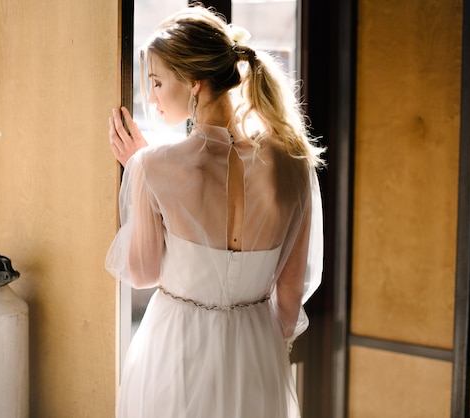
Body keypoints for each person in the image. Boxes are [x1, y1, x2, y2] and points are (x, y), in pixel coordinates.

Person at [106, 5, 324, 418]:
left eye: (155, 81)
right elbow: (292, 289)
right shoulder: (293, 161)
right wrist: (255, 345)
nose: (149, 97)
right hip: (257, 350)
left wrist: (138, 171)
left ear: (195, 84)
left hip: (176, 349)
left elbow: (143, 272)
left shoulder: (153, 167)